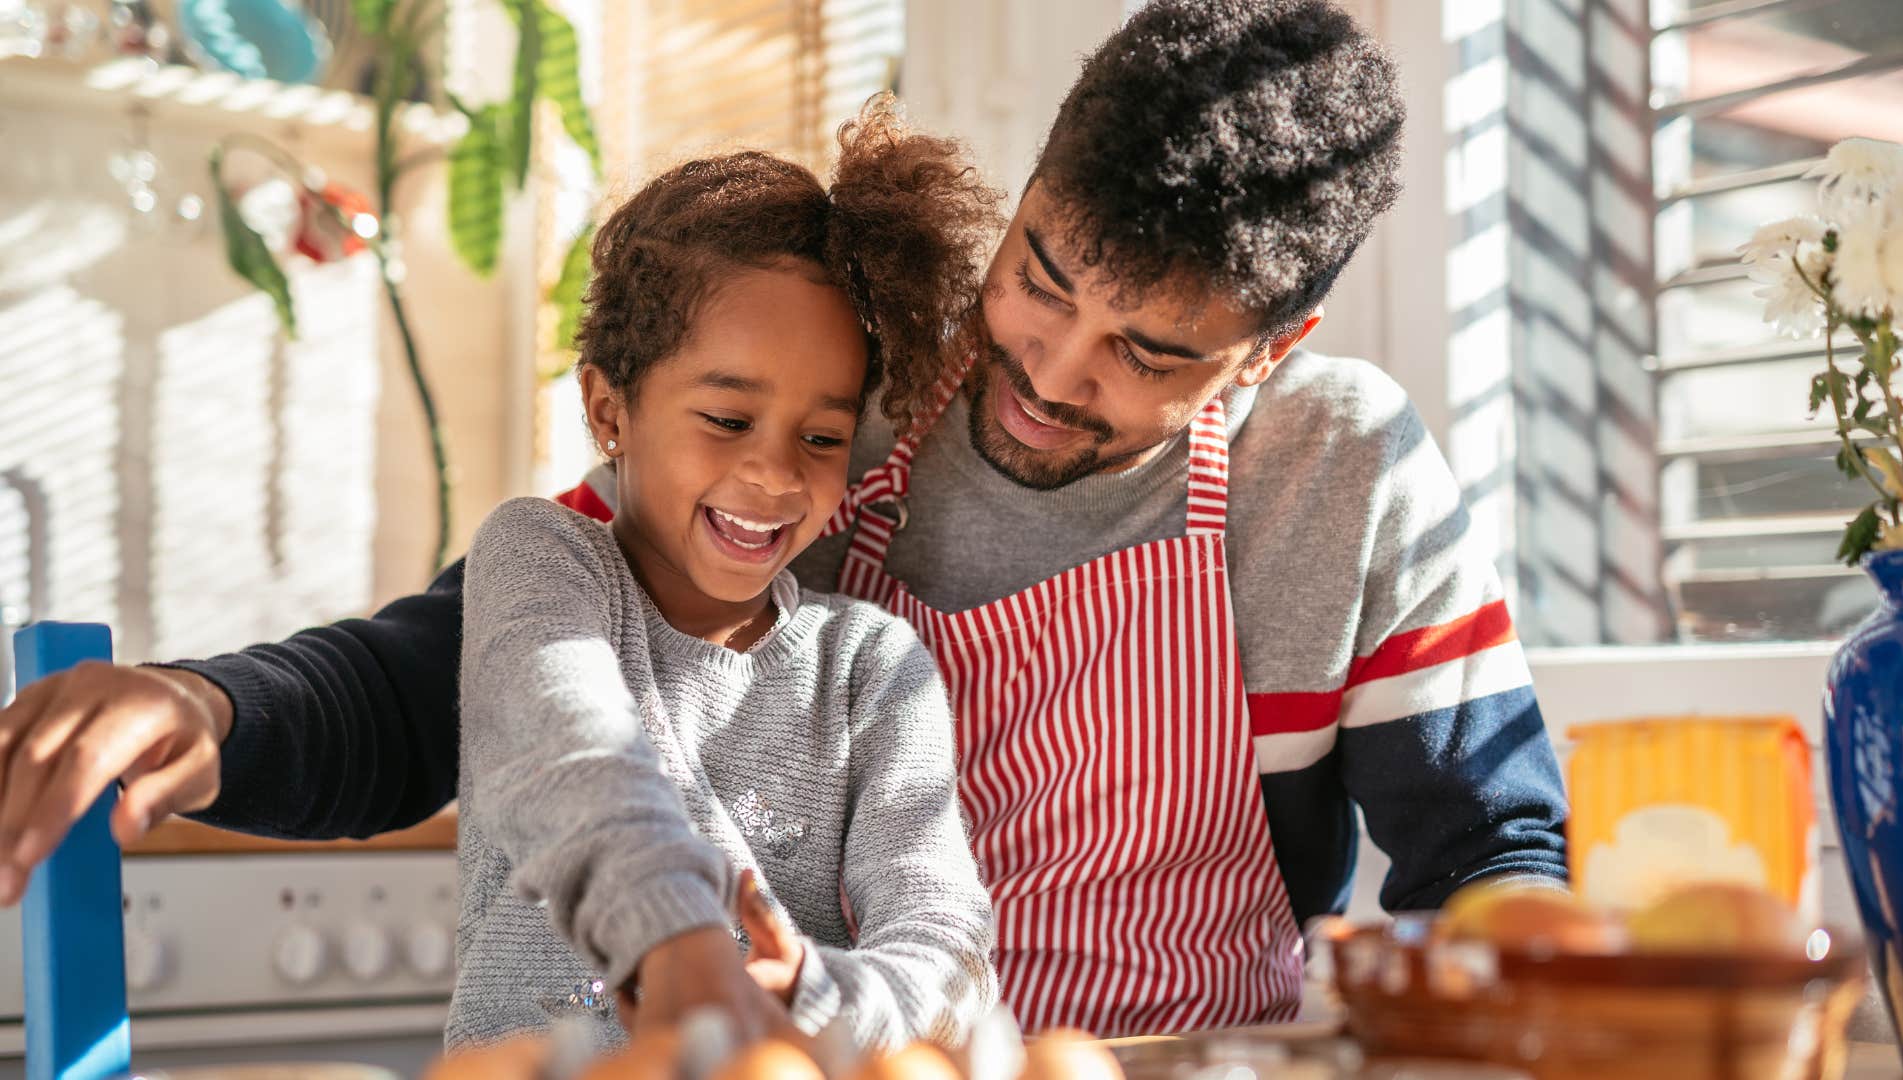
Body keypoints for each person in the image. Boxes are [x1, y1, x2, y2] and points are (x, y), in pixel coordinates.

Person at [0, 0, 1567, 1038]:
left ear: (1268, 350)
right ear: (1025, 195)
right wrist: (215, 706)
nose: (1045, 374)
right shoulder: (841, 401)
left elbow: (1491, 848)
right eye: (1040, 276)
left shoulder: (1338, 473)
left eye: (1149, 355)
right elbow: (492, 664)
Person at [449, 100, 1000, 1051]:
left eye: (821, 438)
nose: (777, 475)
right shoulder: (541, 560)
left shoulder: (870, 668)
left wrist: (813, 994)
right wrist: (680, 941)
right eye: (727, 419)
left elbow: (946, 945)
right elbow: (571, 751)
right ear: (608, 408)